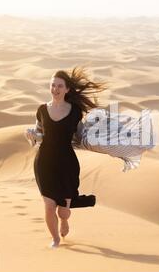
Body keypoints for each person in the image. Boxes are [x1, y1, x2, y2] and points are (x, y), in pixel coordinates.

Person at [29, 67, 105, 248]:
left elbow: (80, 136)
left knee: (63, 210)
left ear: (67, 89)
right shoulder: (41, 110)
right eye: (52, 85)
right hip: (44, 162)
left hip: (67, 164)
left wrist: (100, 139)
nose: (55, 89)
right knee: (48, 205)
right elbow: (38, 133)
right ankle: (55, 239)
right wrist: (30, 135)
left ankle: (64, 220)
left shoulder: (75, 111)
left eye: (59, 86)